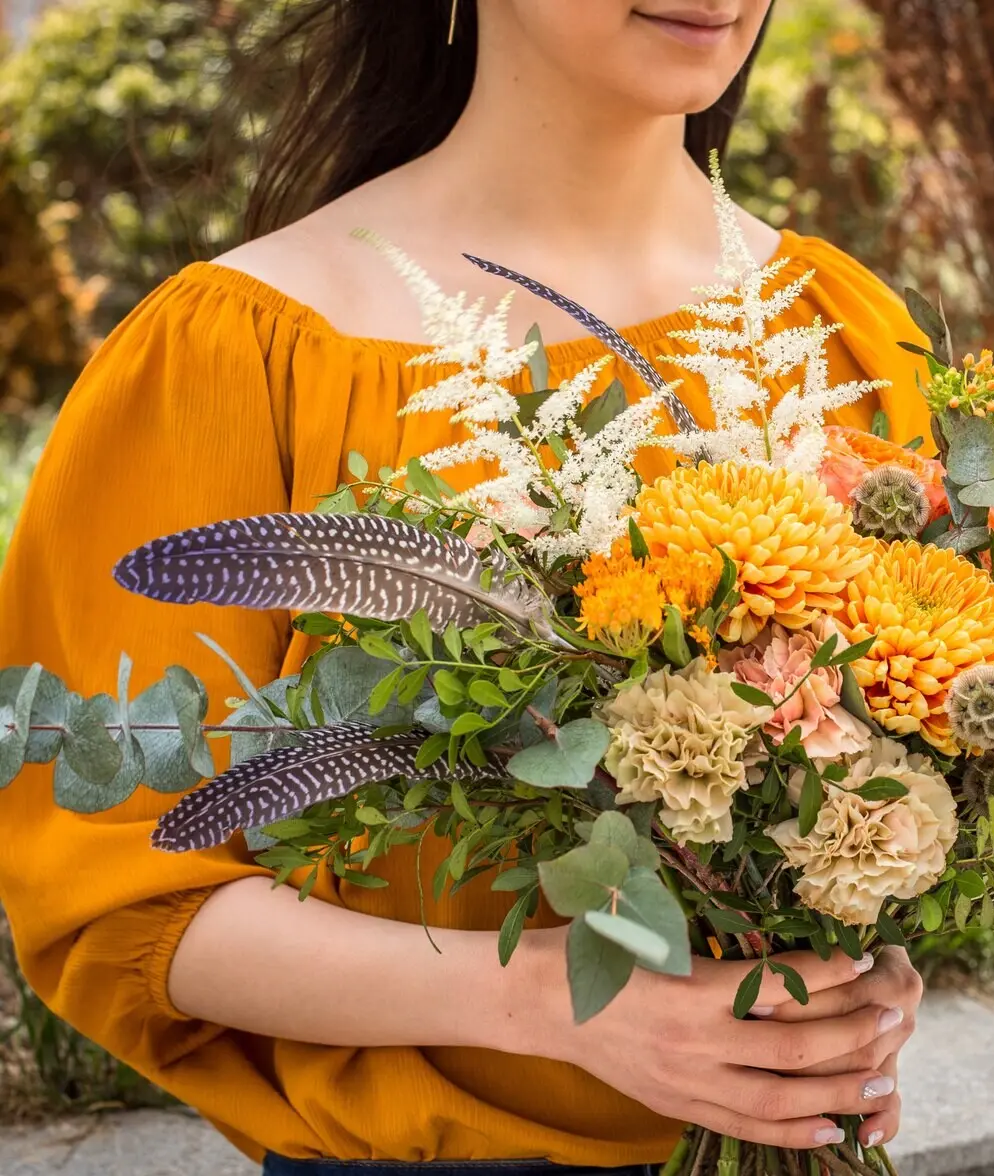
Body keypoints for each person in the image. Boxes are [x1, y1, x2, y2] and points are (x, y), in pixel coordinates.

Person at [0, 2, 934, 1172]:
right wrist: (559, 998)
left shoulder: (845, 335)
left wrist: (878, 955)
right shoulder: (232, 359)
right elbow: (122, 901)